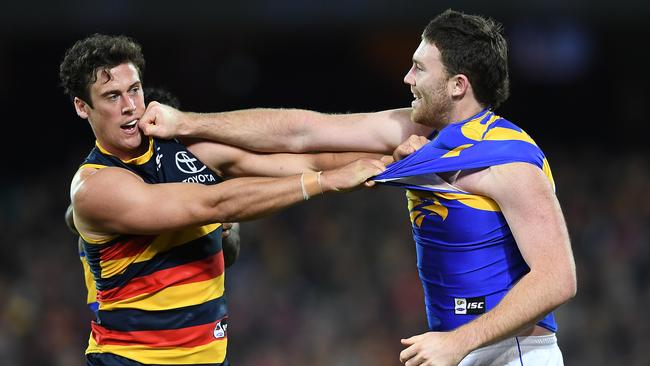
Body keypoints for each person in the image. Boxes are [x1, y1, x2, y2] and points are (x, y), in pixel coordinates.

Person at [139, 9, 577, 365]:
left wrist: (459, 343)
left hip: (513, 355)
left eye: (419, 68)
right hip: (459, 350)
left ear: (458, 85)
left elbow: (558, 279)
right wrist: (188, 124)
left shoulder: (509, 160)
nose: (408, 78)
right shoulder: (421, 134)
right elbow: (304, 133)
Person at [59, 33, 386, 366]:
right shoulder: (94, 186)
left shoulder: (187, 147)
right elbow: (212, 204)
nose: (129, 106)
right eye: (112, 96)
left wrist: (394, 160)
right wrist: (325, 182)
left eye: (134, 90)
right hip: (130, 360)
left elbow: (309, 158)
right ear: (82, 106)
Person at [64, 87, 242, 315]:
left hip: (189, 326)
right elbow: (73, 215)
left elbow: (231, 251)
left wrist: (221, 229)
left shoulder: (200, 183)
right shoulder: (114, 180)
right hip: (127, 326)